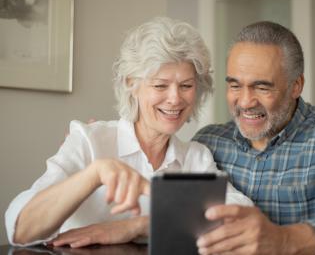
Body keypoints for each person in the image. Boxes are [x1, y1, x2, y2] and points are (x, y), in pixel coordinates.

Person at [5, 17, 252, 248]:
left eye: (186, 86)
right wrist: (95, 173)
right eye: (160, 85)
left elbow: (242, 219)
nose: (175, 98)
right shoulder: (89, 140)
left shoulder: (195, 158)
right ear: (131, 84)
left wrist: (136, 226)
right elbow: (20, 229)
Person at [193, 21, 315, 254]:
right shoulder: (208, 142)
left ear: (296, 85)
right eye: (235, 86)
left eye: (262, 87)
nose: (246, 102)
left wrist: (286, 240)